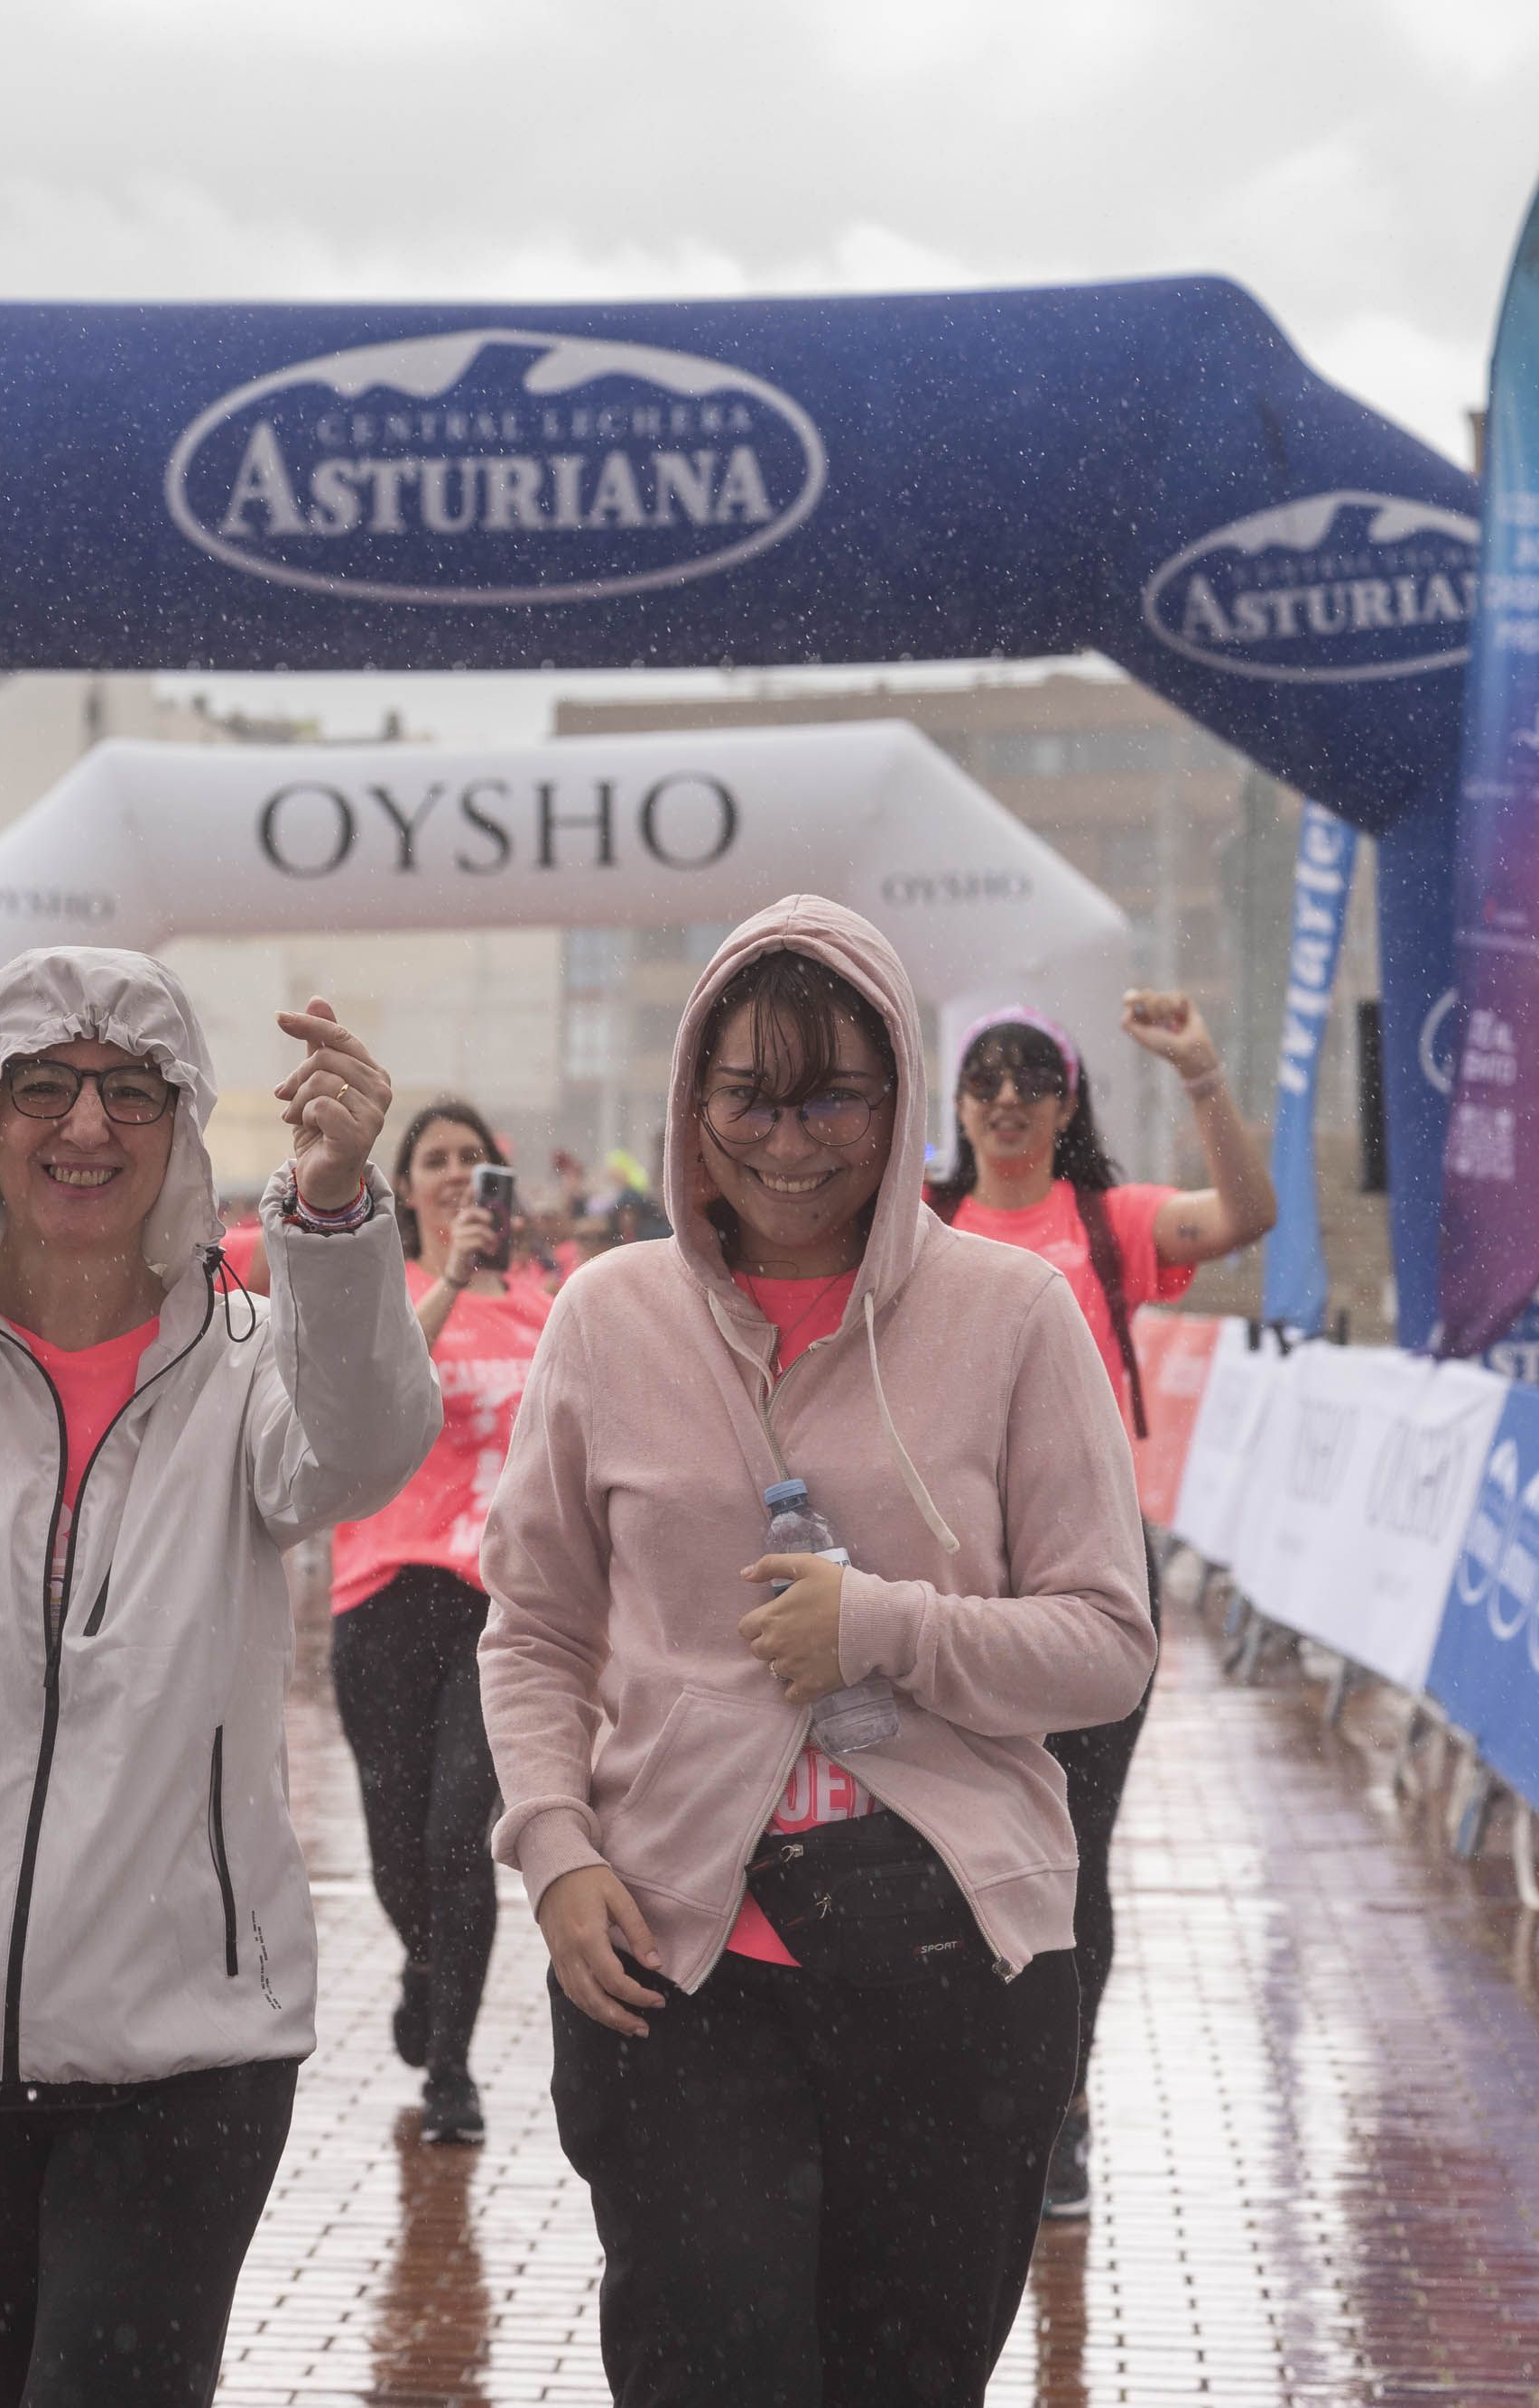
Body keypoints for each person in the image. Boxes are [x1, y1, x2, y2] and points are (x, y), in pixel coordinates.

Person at [0, 951, 440, 2408]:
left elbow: (361, 1449)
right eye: (43, 1088)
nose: (87, 1128)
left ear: (184, 1125)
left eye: (132, 1093)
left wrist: (343, 1210)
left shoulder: (249, 1367)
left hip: (184, 2049)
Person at [478, 898, 1154, 2407]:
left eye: (835, 1094)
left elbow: (1109, 1643)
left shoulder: (1014, 1313)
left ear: (900, 1095)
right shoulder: (606, 1317)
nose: (792, 1139)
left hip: (950, 1964)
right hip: (676, 1956)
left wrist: (884, 1627)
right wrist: (557, 1850)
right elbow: (532, 1623)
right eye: (751, 1098)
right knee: (703, 2364)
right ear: (693, 1107)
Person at [924, 993, 1275, 2218]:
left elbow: (1245, 1215)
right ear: (957, 1107)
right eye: (985, 1078)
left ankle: (1059, 2104)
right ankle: (974, 2079)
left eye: (1033, 1077)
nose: (1008, 1096)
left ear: (1068, 1105)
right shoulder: (917, 1227)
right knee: (948, 1840)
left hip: (1093, 1579)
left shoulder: (1106, 1223)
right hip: (954, 1576)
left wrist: (1202, 1074)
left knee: (1072, 1850)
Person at [328, 1101, 555, 2149]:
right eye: (435, 1161)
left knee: (459, 1834)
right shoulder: (384, 1290)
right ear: (405, 1188)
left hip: (497, 1609)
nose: (458, 1175)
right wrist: (454, 1277)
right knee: (395, 1849)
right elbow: (376, 1393)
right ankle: (424, 1964)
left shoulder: (547, 1309)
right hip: (380, 1599)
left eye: (475, 1158)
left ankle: (453, 2070)